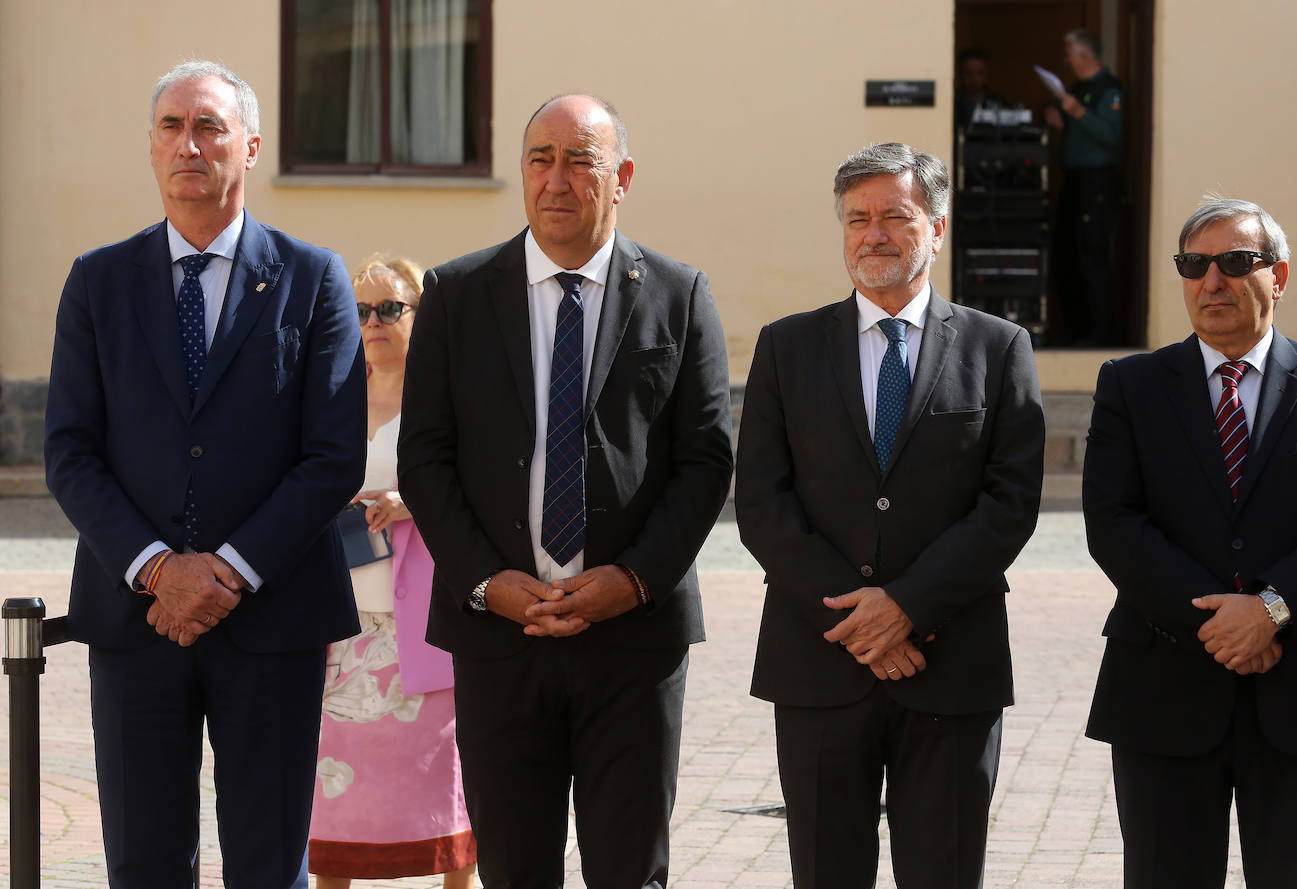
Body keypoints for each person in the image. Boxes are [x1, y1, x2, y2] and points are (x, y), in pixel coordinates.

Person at [396, 94, 734, 889]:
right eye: (540, 159)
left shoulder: (680, 296)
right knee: (514, 870)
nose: (556, 180)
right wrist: (486, 582)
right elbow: (426, 460)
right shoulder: (457, 292)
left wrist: (633, 579)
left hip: (633, 639)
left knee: (630, 872)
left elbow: (706, 461)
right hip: (499, 638)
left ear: (620, 178)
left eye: (579, 160)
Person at [43, 61, 366, 889]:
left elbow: (333, 455)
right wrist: (159, 568)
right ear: (151, 149)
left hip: (273, 617)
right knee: (144, 863)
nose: (190, 144)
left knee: (267, 863)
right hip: (134, 620)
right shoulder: (97, 282)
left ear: (250, 147)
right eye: (171, 127)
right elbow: (70, 451)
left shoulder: (313, 276)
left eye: (211, 127)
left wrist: (226, 571)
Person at [735, 142, 1046, 889]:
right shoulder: (786, 347)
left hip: (951, 664)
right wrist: (856, 618)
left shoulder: (998, 348)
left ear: (936, 228)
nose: (873, 233)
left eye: (895, 217)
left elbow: (1009, 505)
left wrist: (908, 606)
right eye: (856, 217)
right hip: (818, 660)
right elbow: (761, 502)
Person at [1082, 197, 1297, 889]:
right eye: (1194, 264)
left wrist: (1270, 609)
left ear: (1279, 275)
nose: (1211, 280)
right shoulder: (1131, 385)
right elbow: (1112, 522)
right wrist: (1223, 621)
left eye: (1235, 262)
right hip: (1163, 684)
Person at [308, 256, 476, 889]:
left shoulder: (448, 401)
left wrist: (412, 503)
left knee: (442, 777)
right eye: (360, 311)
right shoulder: (329, 401)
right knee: (336, 780)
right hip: (339, 619)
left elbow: (481, 491)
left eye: (390, 308)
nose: (373, 322)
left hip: (425, 620)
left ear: (419, 317)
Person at [1045, 28, 1123, 345]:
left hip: (1097, 182)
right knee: (1069, 253)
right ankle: (1075, 329)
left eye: (1070, 53)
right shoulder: (1078, 88)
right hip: (1074, 180)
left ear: (1084, 54)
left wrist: (1078, 112)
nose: (1067, 59)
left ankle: (1099, 332)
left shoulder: (1109, 89)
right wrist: (1061, 119)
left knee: (1092, 253)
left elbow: (1111, 136)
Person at [954, 47, 1005, 129]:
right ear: (960, 74)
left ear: (987, 73)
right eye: (968, 72)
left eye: (979, 73)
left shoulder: (997, 103)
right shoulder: (951, 104)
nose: (974, 78)